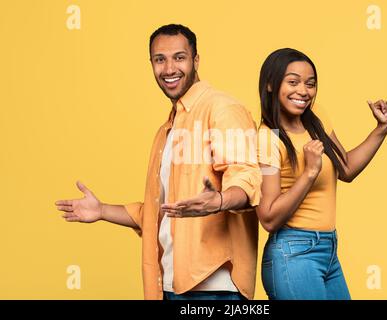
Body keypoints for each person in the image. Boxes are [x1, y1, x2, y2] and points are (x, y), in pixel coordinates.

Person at [55, 24, 261, 300]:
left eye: (179, 57)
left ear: (196, 60)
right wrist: (102, 210)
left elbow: (246, 177)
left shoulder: (222, 108)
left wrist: (220, 200)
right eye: (159, 59)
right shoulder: (167, 130)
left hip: (213, 287)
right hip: (169, 284)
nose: (168, 69)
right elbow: (158, 214)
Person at [256, 48, 387, 300]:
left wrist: (381, 129)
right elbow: (268, 218)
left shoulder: (316, 115)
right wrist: (309, 173)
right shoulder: (267, 138)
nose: (303, 91)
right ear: (270, 85)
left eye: (310, 84)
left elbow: (347, 168)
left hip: (328, 249)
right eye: (293, 82)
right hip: (293, 254)